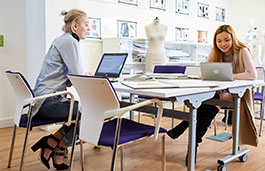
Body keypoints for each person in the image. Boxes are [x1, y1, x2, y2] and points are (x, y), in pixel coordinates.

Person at [167, 24, 258, 165]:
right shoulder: (215, 51)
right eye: (219, 41)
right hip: (220, 91)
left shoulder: (243, 50)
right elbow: (202, 72)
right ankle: (192, 144)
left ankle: (186, 132)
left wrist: (230, 77)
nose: (223, 44)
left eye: (226, 40)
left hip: (240, 93)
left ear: (233, 38)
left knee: (211, 101)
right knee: (206, 101)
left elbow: (252, 75)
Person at [31, 9, 89, 170]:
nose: (88, 28)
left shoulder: (62, 40)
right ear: (75, 26)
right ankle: (58, 146)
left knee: (81, 111)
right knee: (88, 111)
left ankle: (53, 143)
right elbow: (77, 76)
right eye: (86, 24)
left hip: (43, 99)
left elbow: (70, 75)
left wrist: (83, 75)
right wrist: (87, 77)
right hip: (47, 102)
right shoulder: (70, 41)